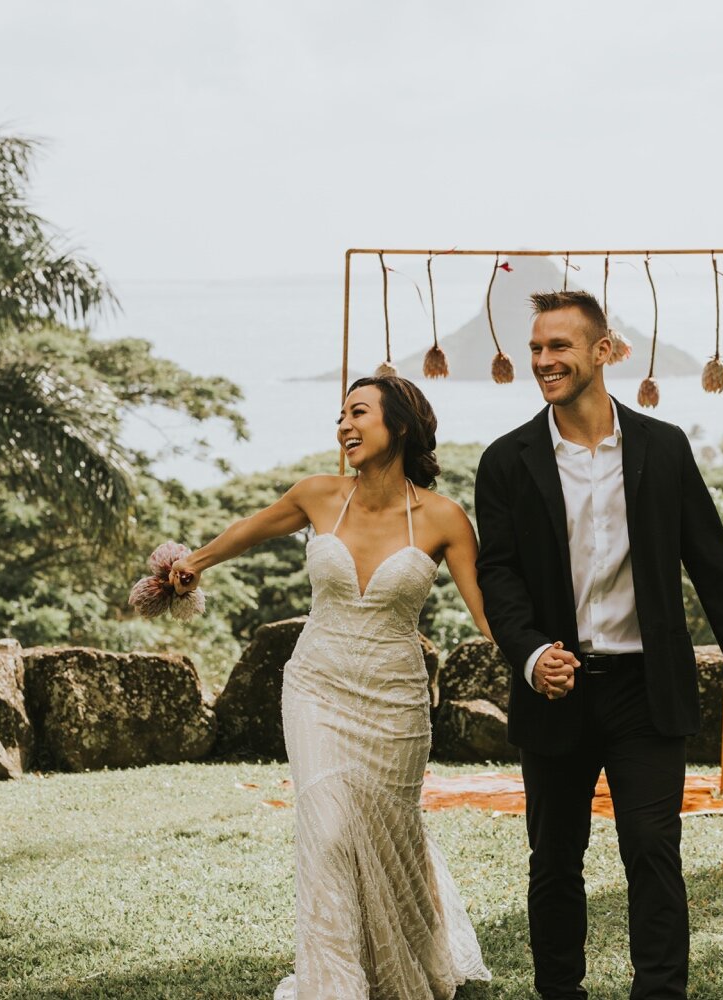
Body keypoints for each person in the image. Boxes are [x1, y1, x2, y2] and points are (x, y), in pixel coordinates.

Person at [474, 290, 723, 1000]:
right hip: (557, 687)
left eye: (560, 348)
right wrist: (529, 656)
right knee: (553, 860)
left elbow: (710, 558)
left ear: (603, 350)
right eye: (537, 349)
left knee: (652, 849)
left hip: (648, 689)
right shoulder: (506, 461)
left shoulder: (662, 447)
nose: (545, 361)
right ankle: (561, 993)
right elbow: (499, 575)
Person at [170, 375, 493, 1000]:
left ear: (397, 426)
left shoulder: (444, 517)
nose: (344, 425)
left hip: (396, 702)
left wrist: (539, 651)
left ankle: (411, 963)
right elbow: (250, 529)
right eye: (340, 414)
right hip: (317, 687)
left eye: (359, 413)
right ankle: (333, 984)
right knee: (328, 830)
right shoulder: (318, 496)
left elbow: (486, 612)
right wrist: (194, 563)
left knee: (389, 830)